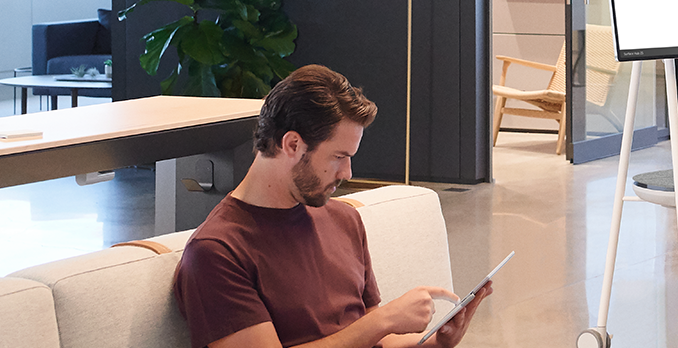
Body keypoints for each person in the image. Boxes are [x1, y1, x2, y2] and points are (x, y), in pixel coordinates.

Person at [174, 65, 490, 348]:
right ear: (292, 145)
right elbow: (373, 328)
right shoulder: (217, 252)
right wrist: (382, 321)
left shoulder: (344, 219)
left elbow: (375, 341)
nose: (347, 173)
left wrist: (435, 341)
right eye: (339, 157)